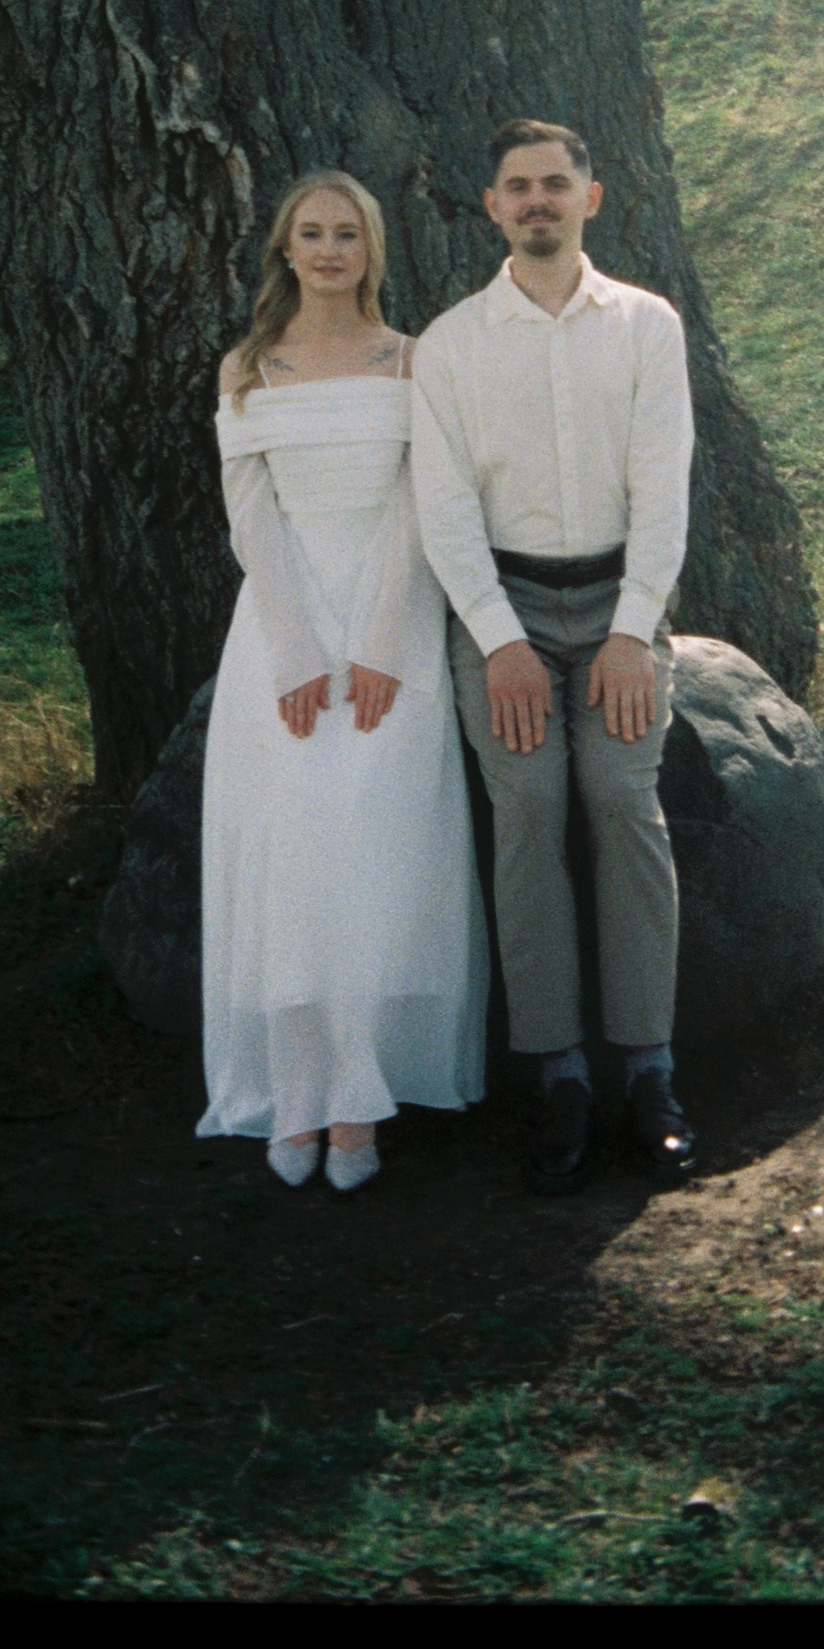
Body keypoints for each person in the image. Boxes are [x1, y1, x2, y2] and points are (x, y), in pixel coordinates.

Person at [411, 119, 698, 1195]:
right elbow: (442, 513)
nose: (537, 201)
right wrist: (499, 644)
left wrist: (633, 630)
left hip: (621, 600)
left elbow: (664, 488)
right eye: (517, 187)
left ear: (592, 196)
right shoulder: (449, 346)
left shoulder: (644, 327)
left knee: (620, 797)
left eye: (555, 183)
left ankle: (649, 1068)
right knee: (527, 804)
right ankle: (559, 1072)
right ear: (490, 207)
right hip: (506, 608)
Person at [198, 170, 488, 1191]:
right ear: (285, 249)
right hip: (278, 636)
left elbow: (420, 502)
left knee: (368, 857)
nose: (329, 251)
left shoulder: (413, 363)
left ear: (372, 250)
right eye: (311, 234)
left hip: (389, 624)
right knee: (291, 859)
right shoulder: (248, 369)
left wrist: (372, 643)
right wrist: (294, 649)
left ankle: (360, 1099)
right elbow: (251, 518)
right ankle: (296, 1092)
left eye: (347, 236)